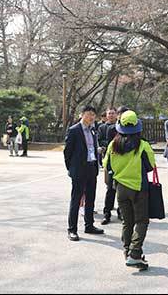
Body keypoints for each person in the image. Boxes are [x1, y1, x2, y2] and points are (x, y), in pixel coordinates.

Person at [102, 110, 156, 271]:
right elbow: (150, 166)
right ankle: (135, 253)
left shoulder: (113, 144)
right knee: (141, 221)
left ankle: (127, 251)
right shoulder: (143, 145)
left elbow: (106, 165)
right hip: (138, 188)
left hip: (120, 188)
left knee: (127, 221)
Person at [64, 105, 104, 241]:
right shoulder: (74, 130)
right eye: (88, 114)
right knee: (76, 200)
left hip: (91, 168)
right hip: (79, 170)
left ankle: (89, 225)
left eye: (93, 114)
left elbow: (92, 148)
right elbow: (67, 152)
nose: (91, 117)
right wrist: (71, 169)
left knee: (91, 199)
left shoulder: (93, 130)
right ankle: (72, 230)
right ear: (82, 114)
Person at [98, 106, 123, 225]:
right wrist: (110, 144)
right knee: (110, 188)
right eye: (109, 113)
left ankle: (121, 212)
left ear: (117, 114)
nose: (111, 115)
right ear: (106, 115)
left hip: (121, 161)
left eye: (113, 113)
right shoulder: (102, 127)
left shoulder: (121, 126)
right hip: (108, 160)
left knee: (121, 188)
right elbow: (100, 140)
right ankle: (107, 213)